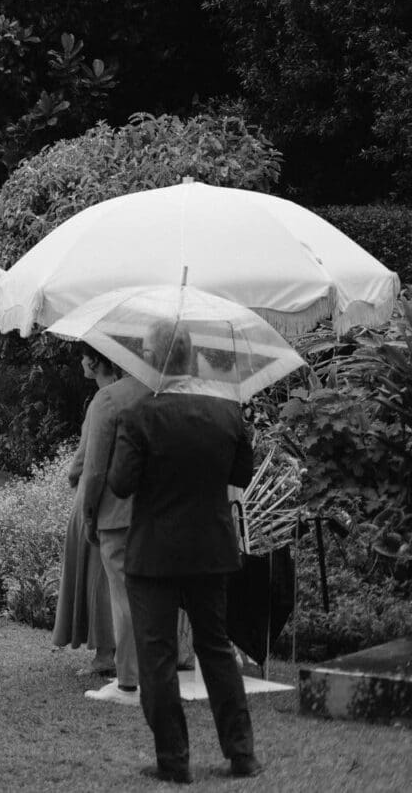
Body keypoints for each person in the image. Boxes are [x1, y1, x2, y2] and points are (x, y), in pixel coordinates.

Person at [106, 329, 259, 783]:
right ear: (193, 359)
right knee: (215, 650)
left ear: (153, 358)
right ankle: (242, 753)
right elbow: (241, 474)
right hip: (211, 549)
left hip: (154, 554)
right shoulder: (227, 414)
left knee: (157, 656)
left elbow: (120, 484)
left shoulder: (139, 417)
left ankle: (174, 760)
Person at [82, 349, 153, 705]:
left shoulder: (110, 398)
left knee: (123, 595)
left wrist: (89, 512)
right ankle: (160, 671)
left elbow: (94, 468)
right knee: (158, 592)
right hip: (159, 511)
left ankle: (128, 680)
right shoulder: (165, 393)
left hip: (116, 513)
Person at [52, 350, 120, 676]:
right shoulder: (126, 396)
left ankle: (105, 655)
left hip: (96, 500)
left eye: (83, 358)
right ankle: (114, 652)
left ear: (95, 363)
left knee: (98, 579)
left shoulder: (102, 401)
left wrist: (71, 475)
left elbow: (87, 456)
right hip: (120, 499)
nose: (80, 363)